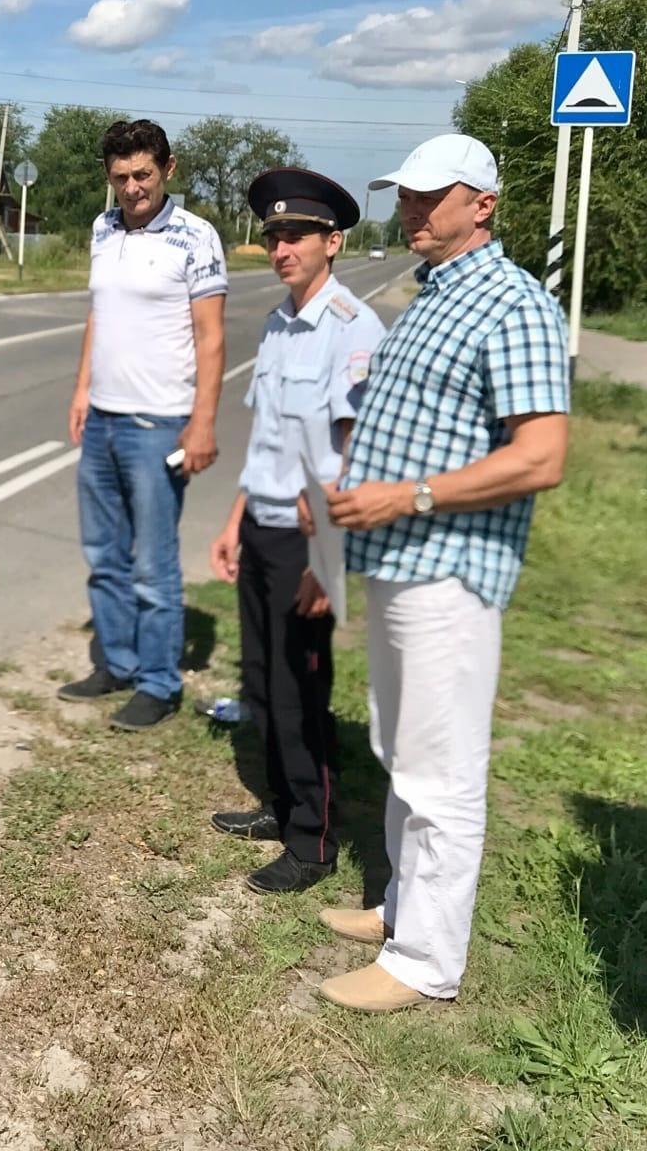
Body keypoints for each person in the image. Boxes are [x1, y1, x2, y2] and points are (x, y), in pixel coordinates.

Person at [306, 133, 569, 1013]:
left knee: (440, 767)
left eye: (429, 196)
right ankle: (399, 910)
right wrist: (353, 498)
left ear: (482, 204)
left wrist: (407, 496)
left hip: (449, 568)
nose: (410, 210)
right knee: (400, 748)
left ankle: (425, 962)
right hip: (398, 559)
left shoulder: (513, 303)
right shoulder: (432, 295)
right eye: (405, 195)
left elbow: (541, 456)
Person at [208, 168, 383, 895]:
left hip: (310, 542)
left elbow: (353, 457)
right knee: (261, 679)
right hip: (264, 527)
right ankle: (280, 808)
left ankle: (313, 840)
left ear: (332, 242)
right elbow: (268, 444)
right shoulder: (279, 324)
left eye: (297, 235)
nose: (281, 246)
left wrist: (328, 559)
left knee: (300, 689)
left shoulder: (353, 329)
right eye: (274, 234)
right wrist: (233, 520)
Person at [57, 119, 227, 731]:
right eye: (122, 177)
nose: (133, 188)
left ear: (168, 169)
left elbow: (211, 339)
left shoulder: (196, 237)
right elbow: (99, 316)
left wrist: (202, 422)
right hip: (102, 419)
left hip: (159, 423)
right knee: (104, 554)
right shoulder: (102, 230)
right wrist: (82, 390)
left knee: (152, 563)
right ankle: (118, 662)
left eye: (143, 175)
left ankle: (158, 682)